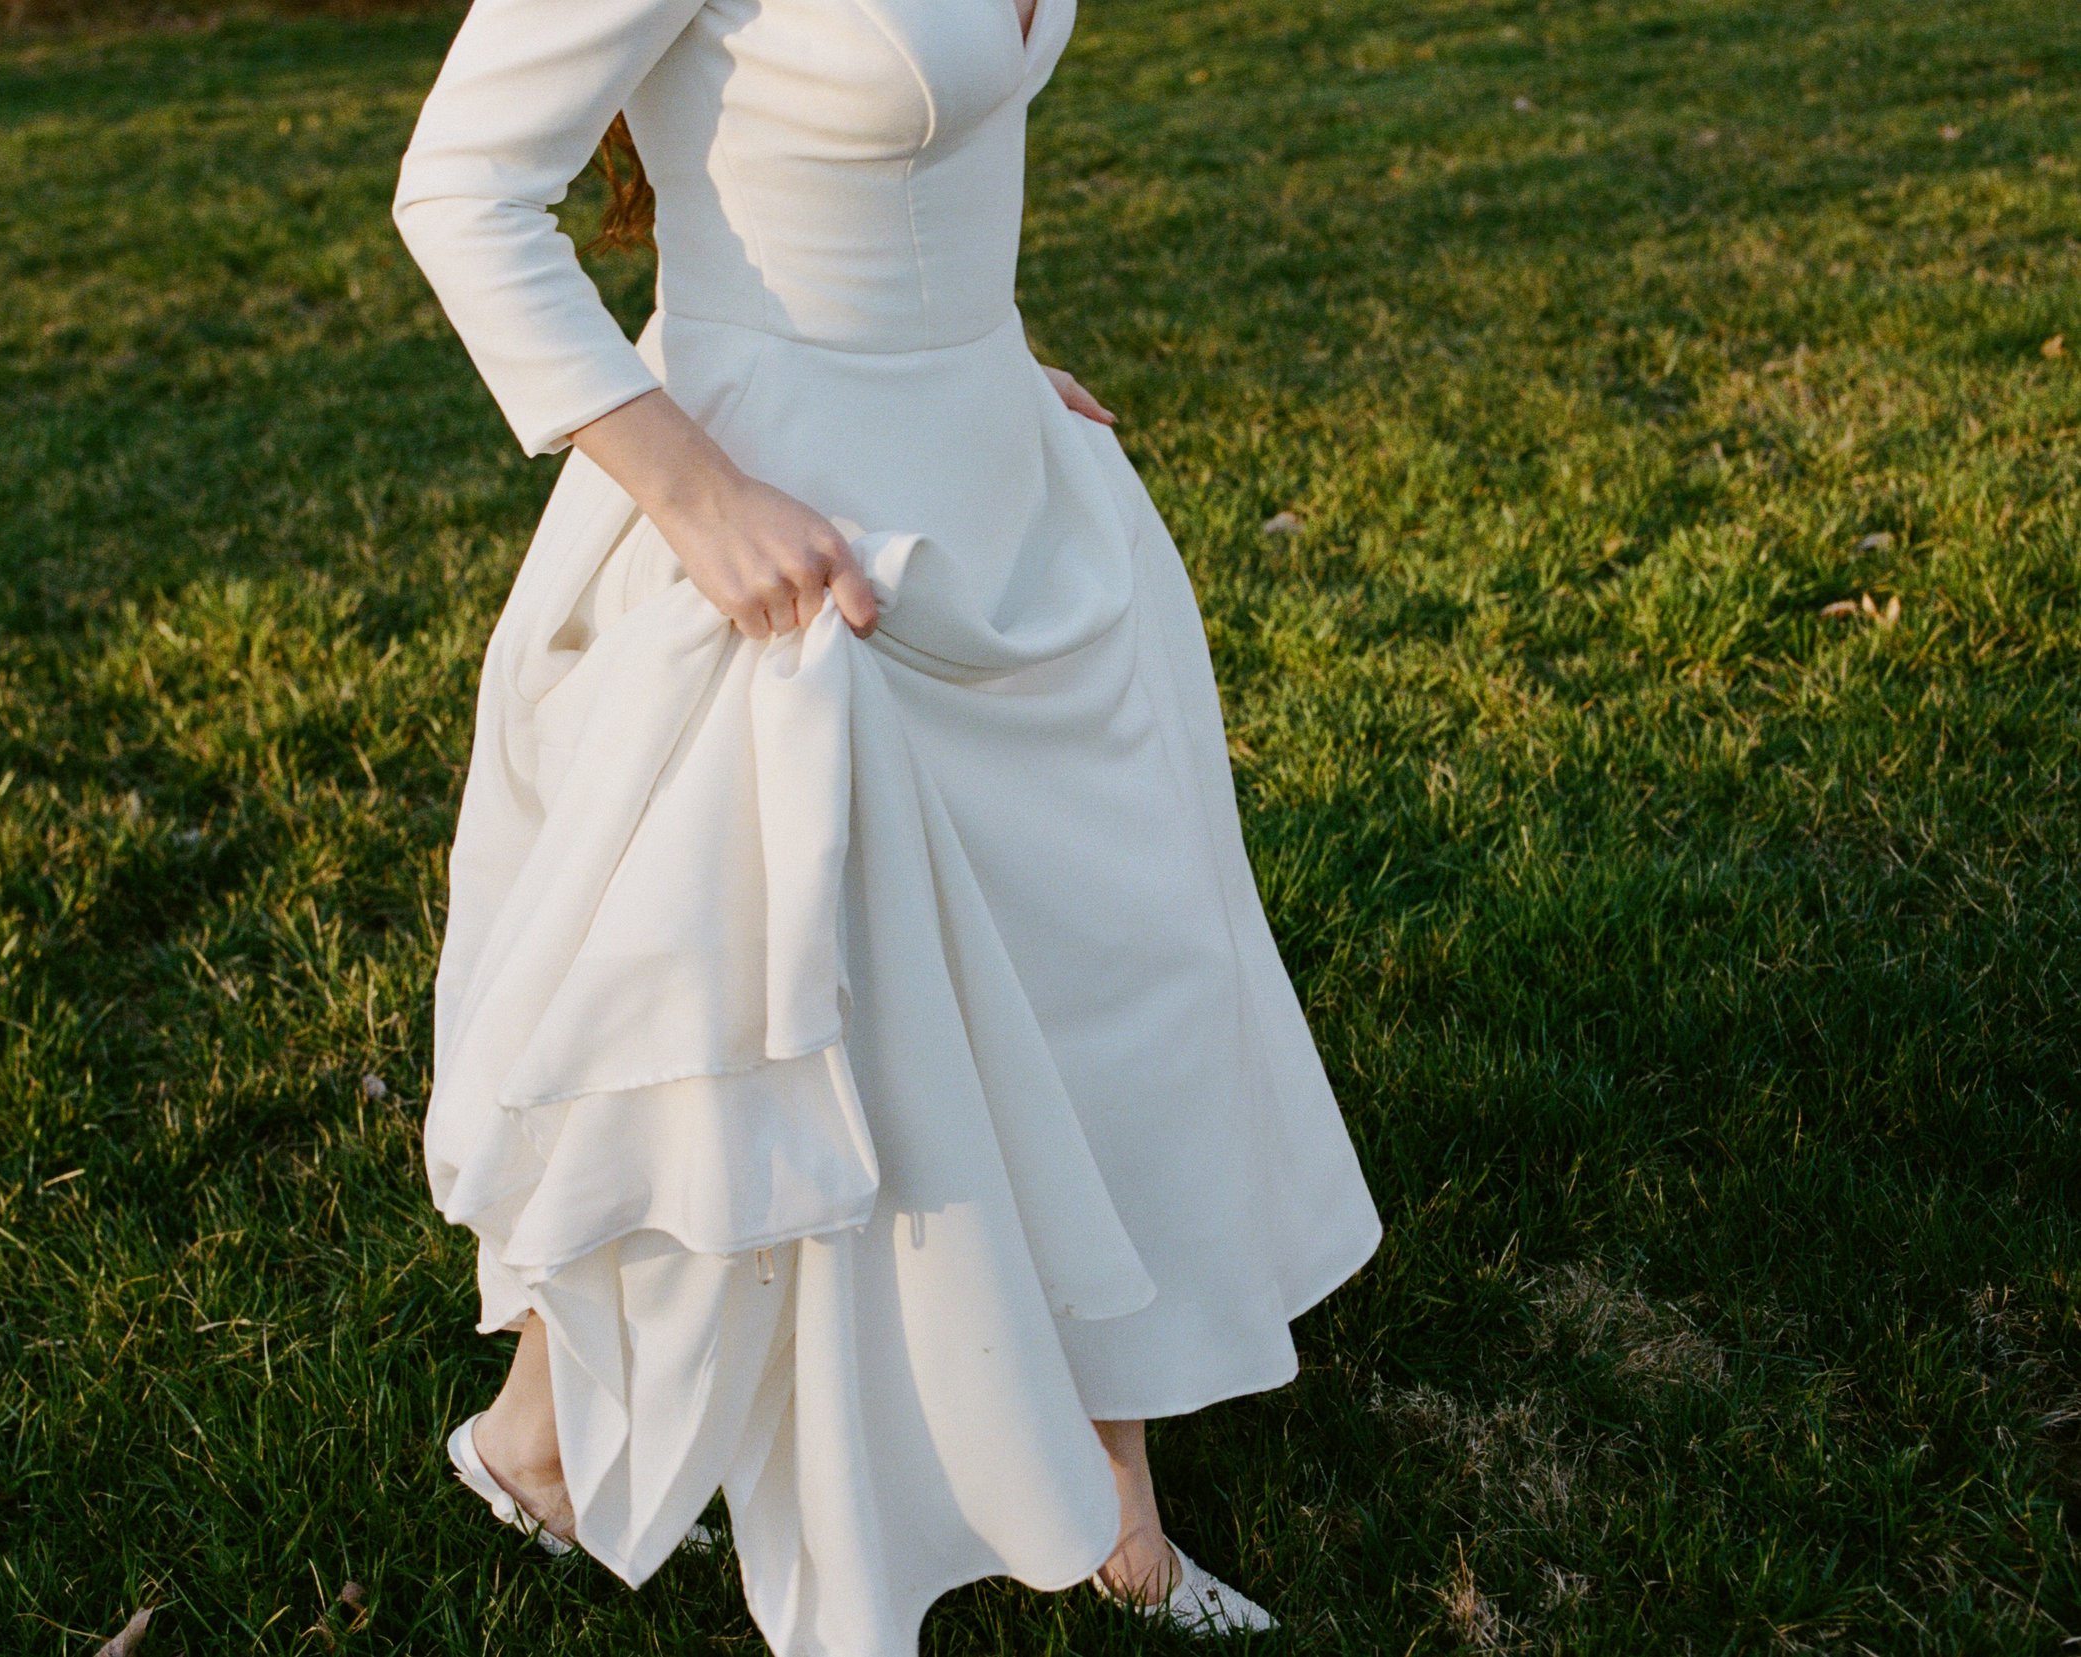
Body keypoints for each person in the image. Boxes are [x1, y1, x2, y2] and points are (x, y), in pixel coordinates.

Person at [389, 0, 1382, 1646]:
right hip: (796, 520)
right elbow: (460, 186)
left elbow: (936, 129)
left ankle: (1109, 1505)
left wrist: (975, 340)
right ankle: (549, 1440)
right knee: (754, 1037)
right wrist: (702, 500)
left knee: (1118, 973)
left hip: (1002, 474)